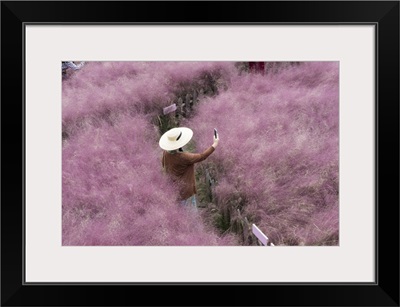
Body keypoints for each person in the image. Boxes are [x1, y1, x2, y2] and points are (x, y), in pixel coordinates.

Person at [159, 127, 219, 208]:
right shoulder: (183, 157)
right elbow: (202, 156)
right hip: (186, 193)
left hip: (174, 191)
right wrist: (215, 144)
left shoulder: (165, 153)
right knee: (191, 217)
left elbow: (164, 164)